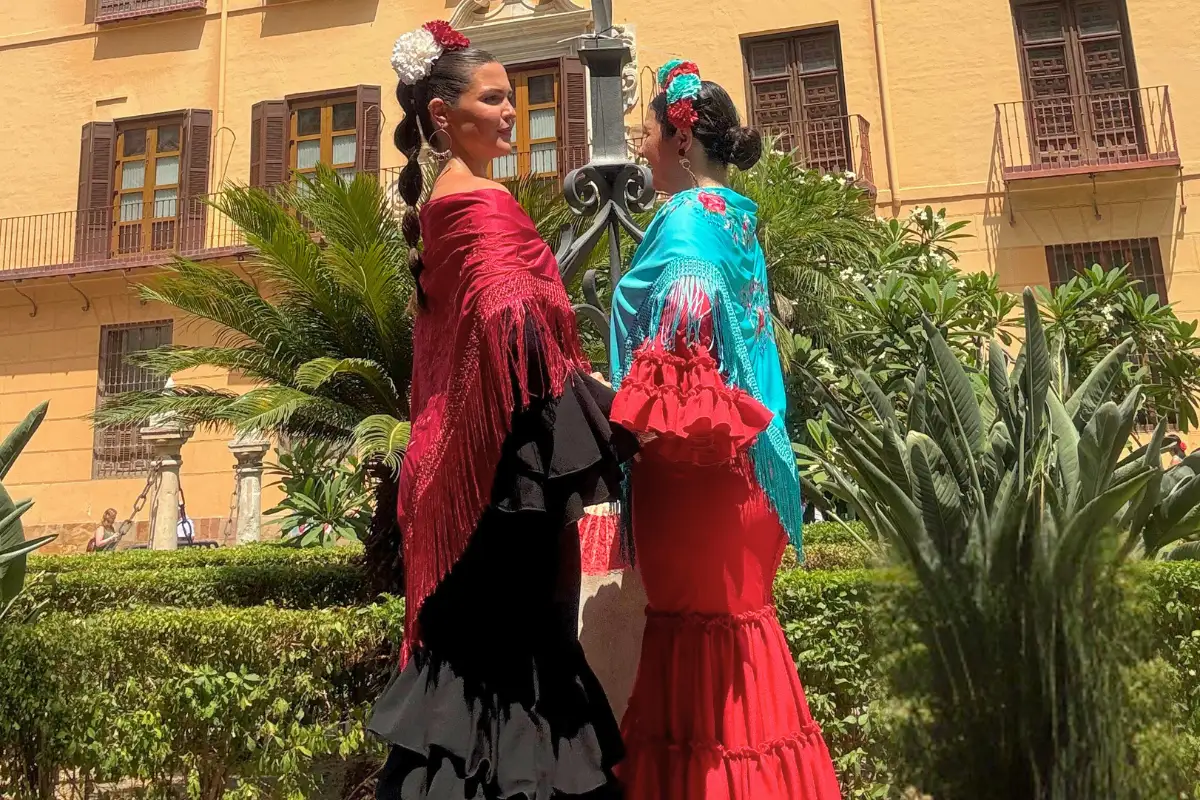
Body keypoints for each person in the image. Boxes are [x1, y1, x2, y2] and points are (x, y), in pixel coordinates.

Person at [366, 21, 635, 800]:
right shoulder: (479, 202)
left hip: (463, 473)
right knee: (518, 669)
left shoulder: (447, 201)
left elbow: (481, 330)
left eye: (512, 99)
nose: (512, 113)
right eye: (494, 99)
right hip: (497, 481)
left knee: (473, 677)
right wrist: (597, 391)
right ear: (444, 118)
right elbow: (510, 321)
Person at [608, 60, 842, 799]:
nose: (639, 148)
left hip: (693, 469)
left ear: (679, 139)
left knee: (696, 667)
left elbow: (684, 322)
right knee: (745, 647)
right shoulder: (736, 216)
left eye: (644, 133)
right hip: (748, 474)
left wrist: (633, 407)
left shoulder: (682, 223)